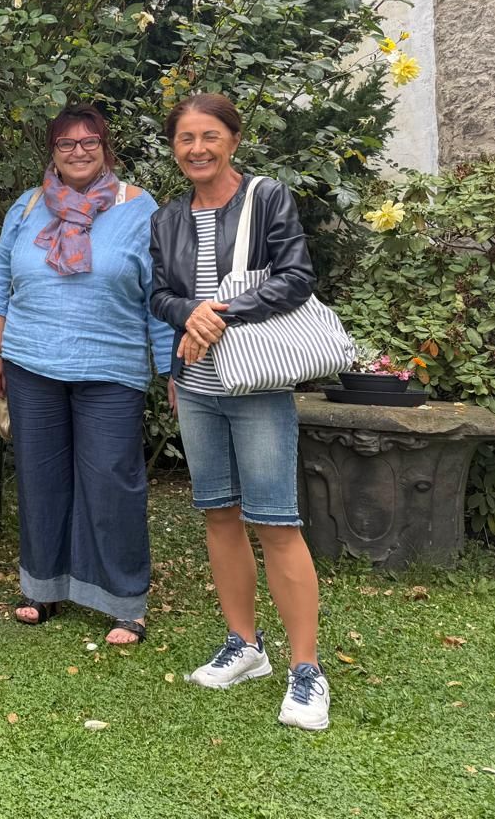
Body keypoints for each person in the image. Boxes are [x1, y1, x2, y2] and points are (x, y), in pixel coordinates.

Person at [150, 92, 330, 731]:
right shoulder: (169, 216)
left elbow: (296, 275)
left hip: (254, 382)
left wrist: (220, 312)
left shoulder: (267, 196)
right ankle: (244, 645)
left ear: (232, 138)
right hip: (196, 383)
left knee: (275, 521)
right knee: (219, 516)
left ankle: (306, 671)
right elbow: (160, 293)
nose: (196, 149)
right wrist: (187, 315)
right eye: (184, 139)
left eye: (208, 136)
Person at [0, 104, 173, 643]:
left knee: (112, 481)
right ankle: (42, 588)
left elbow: (157, 293)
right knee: (41, 480)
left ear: (106, 147)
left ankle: (124, 600)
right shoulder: (28, 205)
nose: (78, 151)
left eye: (89, 141)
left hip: (112, 367)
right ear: (53, 152)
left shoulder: (140, 208)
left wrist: (171, 366)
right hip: (31, 364)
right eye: (66, 143)